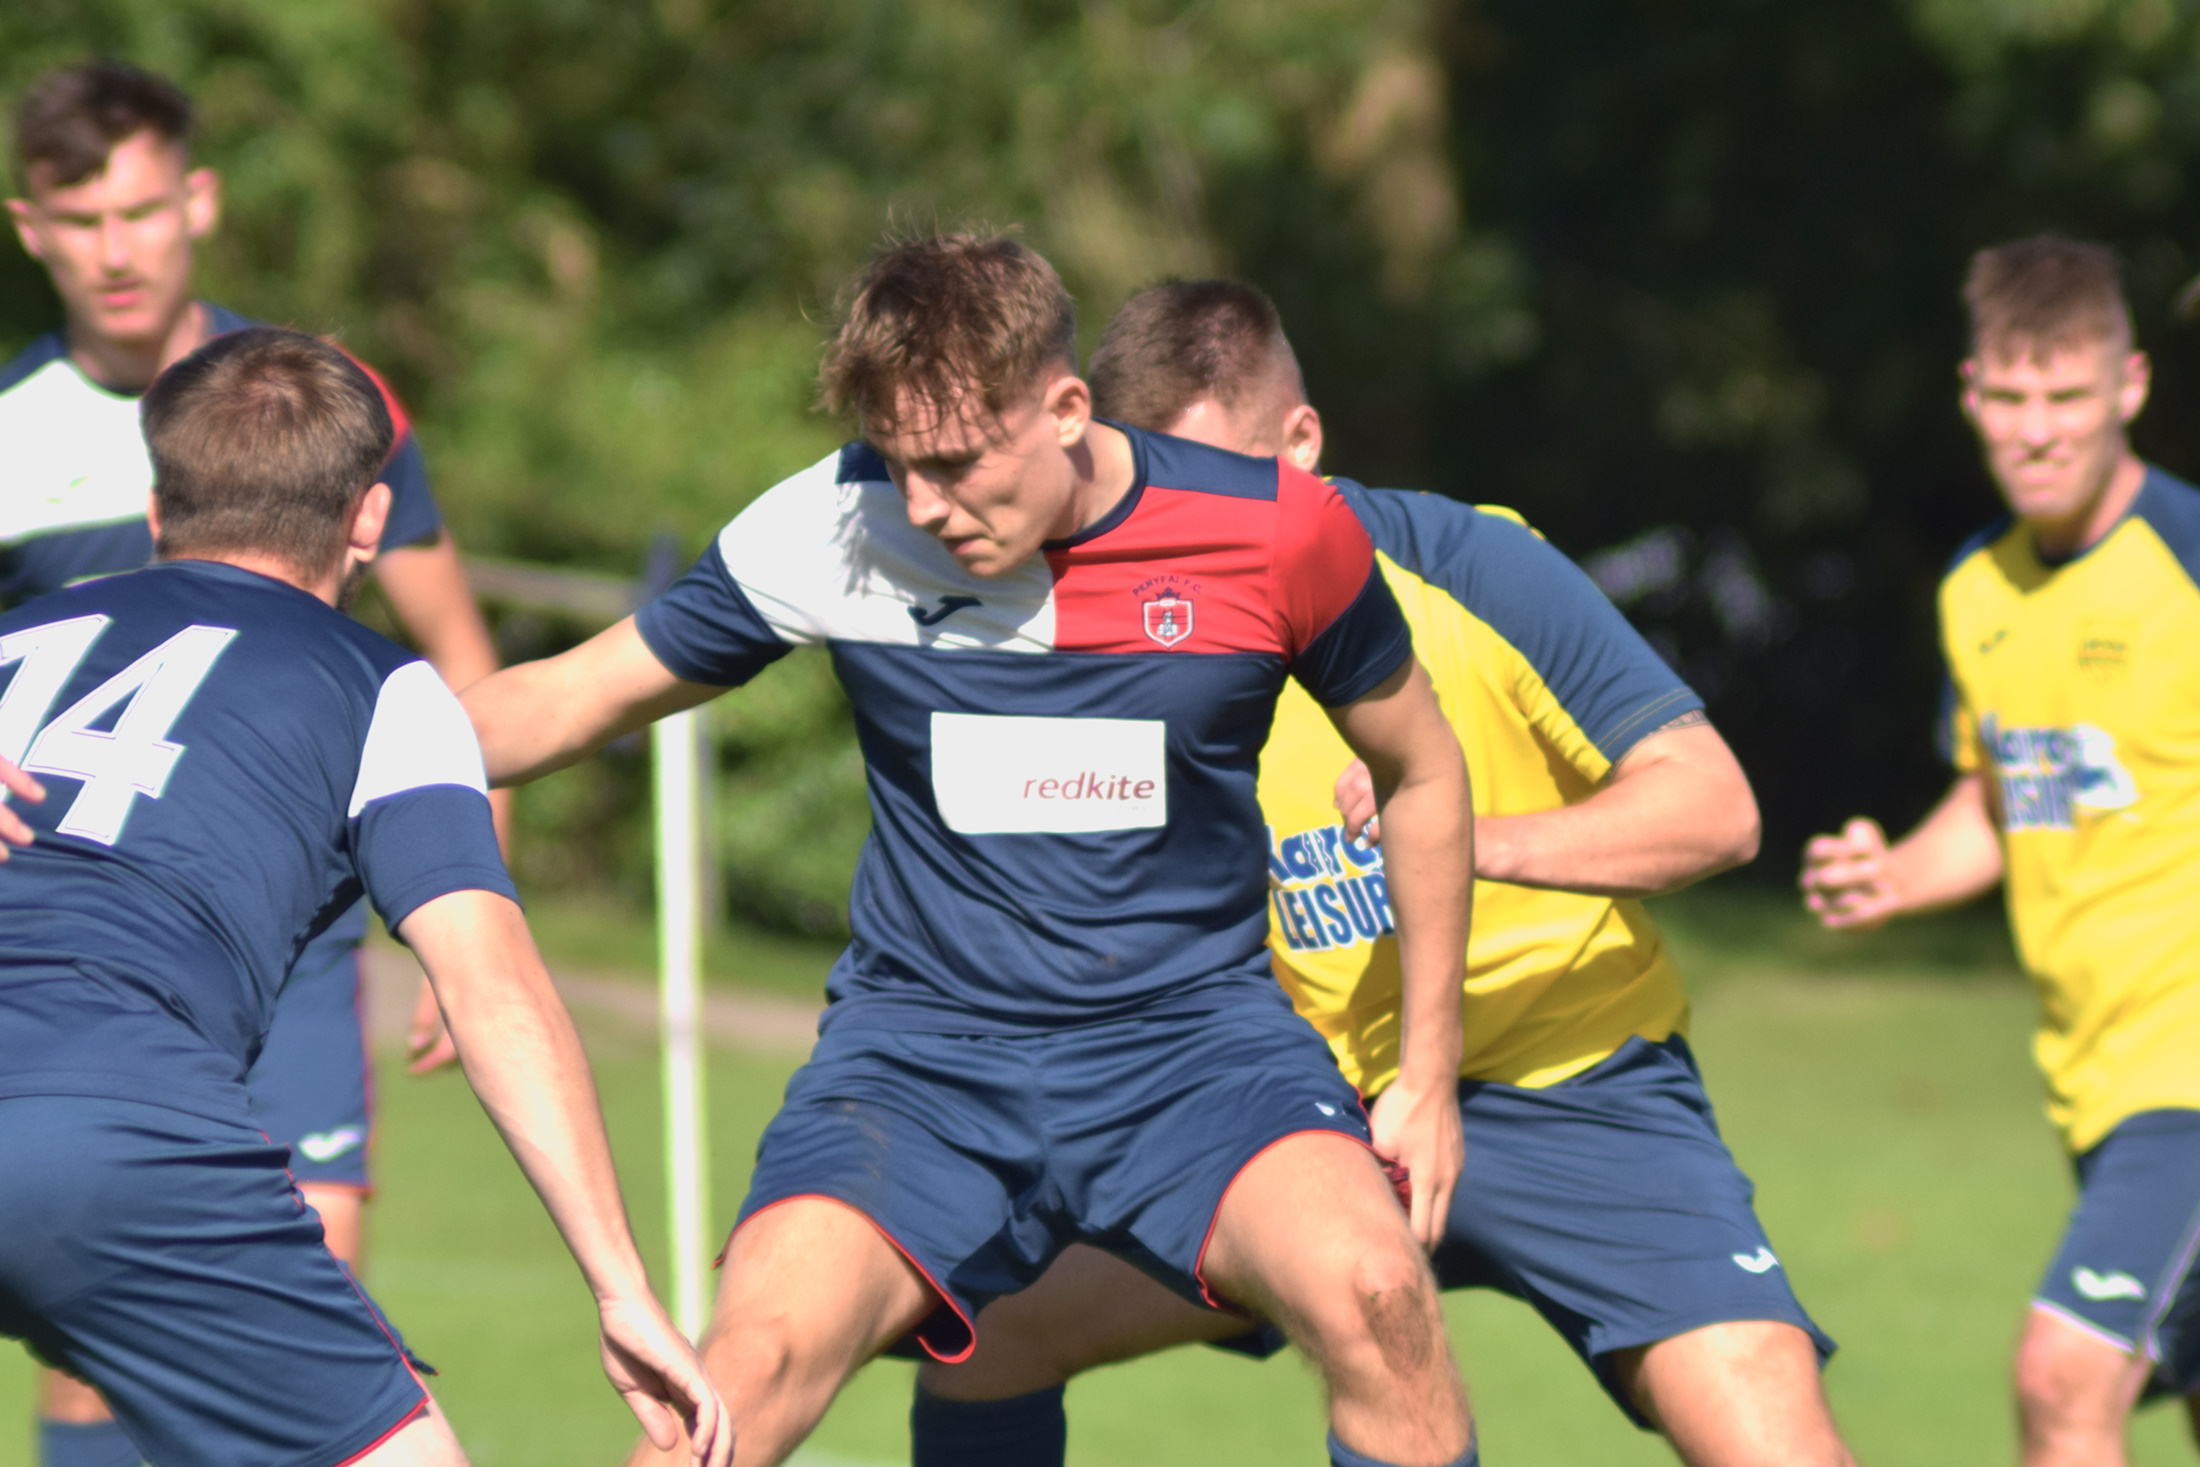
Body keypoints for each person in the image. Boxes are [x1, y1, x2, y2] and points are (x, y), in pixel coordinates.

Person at [461, 231, 1481, 1467]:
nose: (927, 506)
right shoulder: (835, 525)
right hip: (922, 1059)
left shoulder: (1273, 532)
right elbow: (564, 699)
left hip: (1192, 1046)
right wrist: (329, 758)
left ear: (1064, 406)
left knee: (1379, 1298)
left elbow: (1422, 770)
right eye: (899, 467)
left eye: (954, 464)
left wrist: (1426, 1072)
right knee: (736, 1386)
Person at [905, 278, 1857, 1466]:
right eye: (1160, 487)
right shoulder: (1099, 623)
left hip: (1570, 1083)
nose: (1188, 524)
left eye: (1223, 482)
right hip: (1288, 1112)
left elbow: (1714, 809)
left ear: (1300, 446)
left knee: (1776, 1444)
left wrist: (1461, 840)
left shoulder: (1472, 565)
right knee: (983, 1333)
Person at [0, 327, 727, 1467]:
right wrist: (621, 1287)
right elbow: (496, 995)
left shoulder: (15, 636)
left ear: (157, 507)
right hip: (106, 1127)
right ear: (373, 522)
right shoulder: (386, 689)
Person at [0, 61, 503, 1467]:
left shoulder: (311, 407)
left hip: (284, 931)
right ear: (28, 227)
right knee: (97, 1325)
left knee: (312, 1276)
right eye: (79, 215)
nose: (117, 247)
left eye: (143, 209)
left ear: (198, 204)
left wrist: (478, 912)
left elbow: (458, 659)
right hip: (77, 933)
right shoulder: (9, 432)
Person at [1802, 236, 2200, 1466]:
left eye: (2067, 397)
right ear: (1972, 395)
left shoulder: (2187, 563)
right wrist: (1896, 876)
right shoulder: (1975, 590)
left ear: (2128, 387)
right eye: (2012, 399)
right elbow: (2001, 796)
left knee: (2060, 1378)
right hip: (2093, 1082)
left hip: (2187, 1086)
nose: (2038, 431)